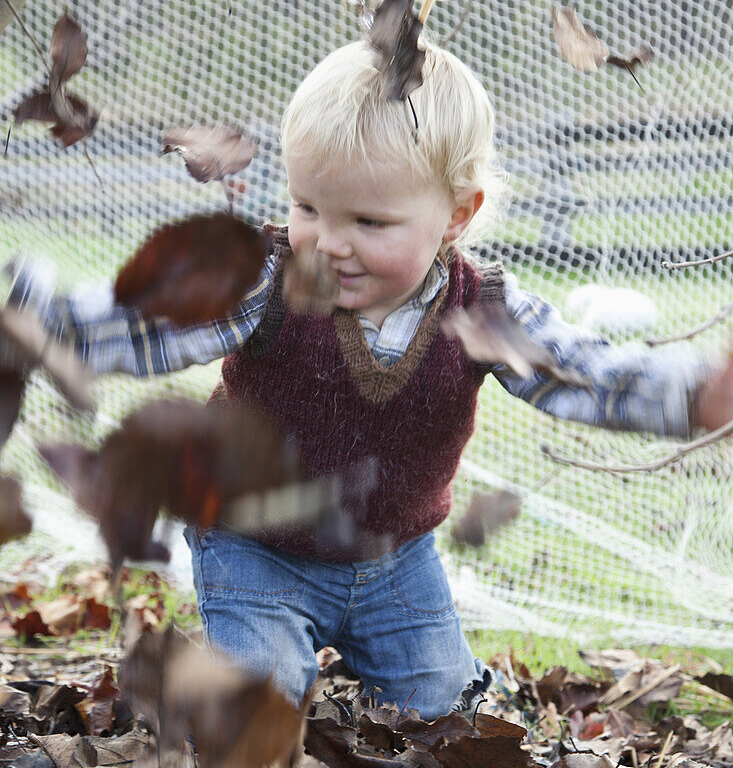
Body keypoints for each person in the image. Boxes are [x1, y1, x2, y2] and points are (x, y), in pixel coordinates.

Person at [7, 39, 733, 720]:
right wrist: (48, 327)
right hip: (251, 541)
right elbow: (160, 321)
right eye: (306, 208)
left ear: (456, 213)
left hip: (396, 562)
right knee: (260, 693)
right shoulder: (269, 284)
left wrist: (690, 393)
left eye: (369, 221)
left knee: (444, 711)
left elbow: (580, 370)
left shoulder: (481, 310)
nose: (329, 241)